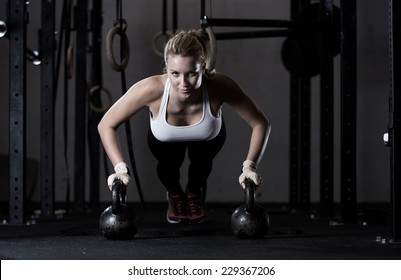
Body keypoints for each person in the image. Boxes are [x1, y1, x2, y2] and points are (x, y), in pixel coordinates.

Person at [98, 29, 271, 224]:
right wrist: (120, 168)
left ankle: (193, 193)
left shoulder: (219, 85)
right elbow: (106, 124)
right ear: (166, 68)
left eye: (191, 74)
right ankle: (174, 195)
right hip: (165, 141)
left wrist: (250, 166)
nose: (183, 83)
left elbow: (260, 123)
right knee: (168, 166)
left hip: (207, 139)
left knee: (201, 164)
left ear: (203, 68)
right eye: (175, 74)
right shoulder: (151, 89)